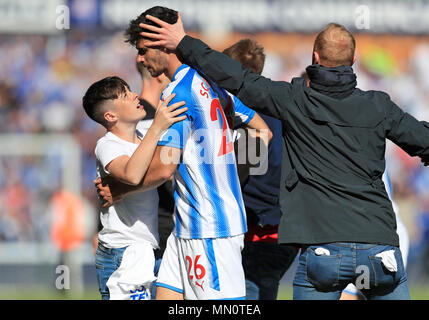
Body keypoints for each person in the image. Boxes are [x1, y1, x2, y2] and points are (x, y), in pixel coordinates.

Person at [139, 17, 429, 299]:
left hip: (324, 250)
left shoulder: (294, 99)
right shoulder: (379, 106)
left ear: (314, 57)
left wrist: (183, 43)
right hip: (379, 249)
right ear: (353, 61)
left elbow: (238, 78)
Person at [122, 6, 271, 300]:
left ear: (161, 44)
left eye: (142, 50)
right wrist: (225, 166)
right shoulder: (210, 80)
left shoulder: (178, 93)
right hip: (186, 226)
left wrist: (120, 188)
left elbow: (165, 168)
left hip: (210, 231)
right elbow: (261, 130)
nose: (139, 58)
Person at [82, 76, 187, 300]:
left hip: (141, 248)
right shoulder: (108, 144)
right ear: (111, 116)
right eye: (125, 95)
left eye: (130, 90)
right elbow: (132, 174)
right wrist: (157, 127)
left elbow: (163, 172)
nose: (134, 95)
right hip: (122, 250)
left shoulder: (143, 136)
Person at [223, 39, 298, 300]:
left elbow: (247, 173)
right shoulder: (280, 109)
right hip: (281, 228)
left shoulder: (246, 116)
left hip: (259, 230)